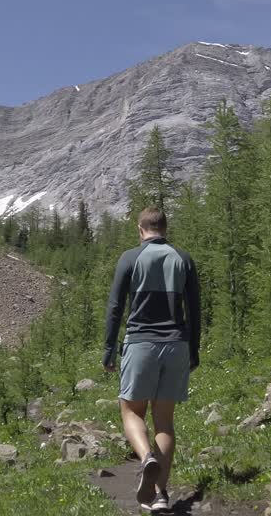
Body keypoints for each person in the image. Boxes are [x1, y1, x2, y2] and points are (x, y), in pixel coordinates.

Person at [102, 206, 201, 513]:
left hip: (140, 343)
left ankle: (146, 457)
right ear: (165, 228)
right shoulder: (183, 259)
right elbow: (195, 311)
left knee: (131, 411)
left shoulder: (130, 258)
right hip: (176, 345)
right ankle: (160, 496)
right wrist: (193, 349)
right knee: (165, 422)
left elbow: (116, 306)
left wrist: (108, 349)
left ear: (140, 229)